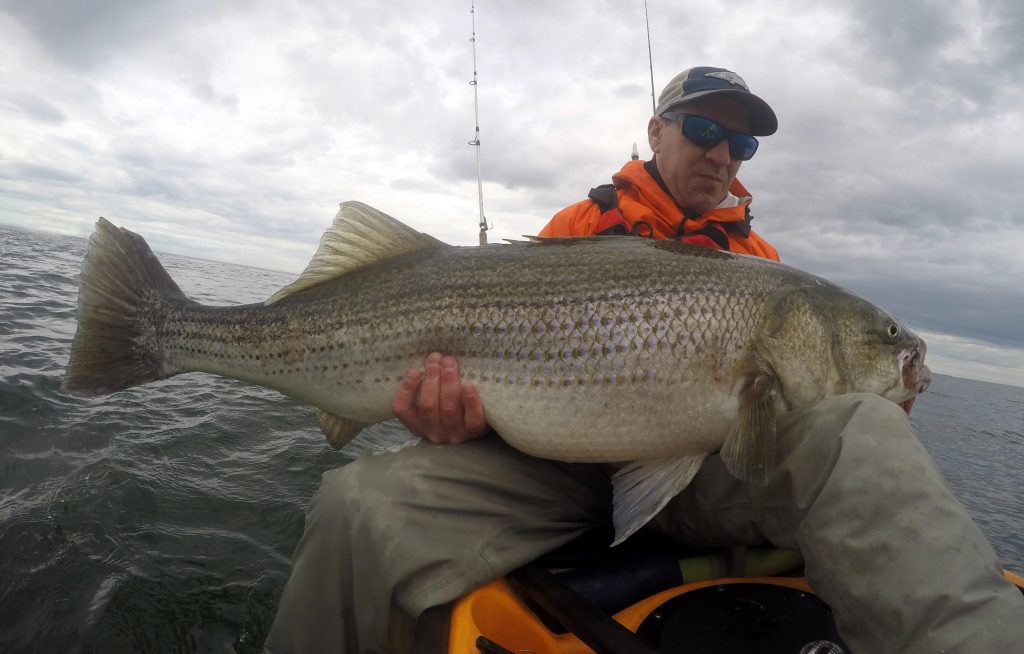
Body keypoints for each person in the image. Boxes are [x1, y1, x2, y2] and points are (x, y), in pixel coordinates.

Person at [264, 67, 1024, 653]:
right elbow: (501, 371)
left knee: (864, 429)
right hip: (549, 468)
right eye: (704, 129)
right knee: (356, 505)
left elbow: (801, 434)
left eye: (742, 144)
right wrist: (452, 420)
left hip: (702, 479)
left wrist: (869, 391)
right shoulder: (575, 227)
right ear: (657, 133)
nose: (722, 153)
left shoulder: (763, 267)